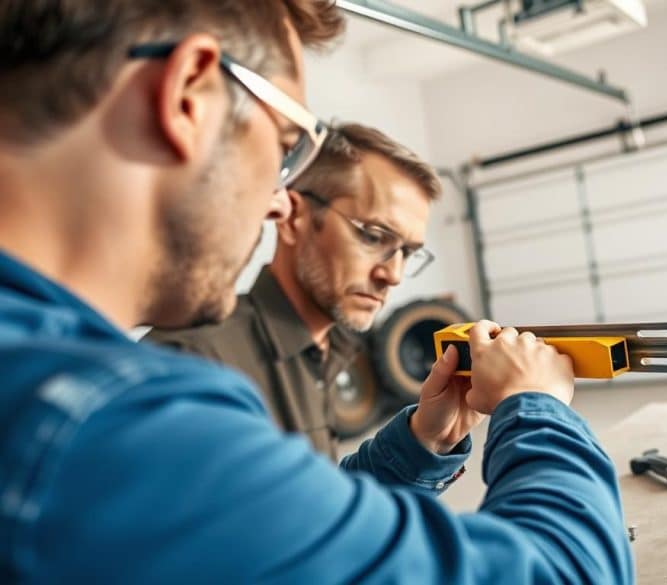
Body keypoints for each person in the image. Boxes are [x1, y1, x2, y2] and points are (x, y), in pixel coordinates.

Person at [0, 1, 633, 583]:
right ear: (188, 94)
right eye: (281, 150)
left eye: (407, 252)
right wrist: (538, 407)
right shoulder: (118, 415)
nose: (276, 201)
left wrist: (420, 444)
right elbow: (569, 574)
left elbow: (287, 528)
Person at [146, 123, 444, 459]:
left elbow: (318, 507)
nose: (393, 275)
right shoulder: (192, 363)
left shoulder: (329, 350)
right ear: (292, 218)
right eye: (373, 237)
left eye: (409, 252)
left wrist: (425, 439)